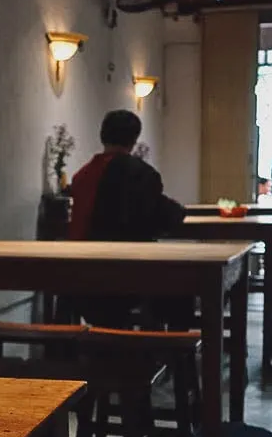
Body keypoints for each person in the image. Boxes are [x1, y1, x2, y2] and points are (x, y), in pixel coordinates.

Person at [67, 109, 188, 328]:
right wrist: (178, 211)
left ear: (102, 136)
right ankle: (171, 351)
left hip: (80, 276)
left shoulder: (81, 176)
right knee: (184, 286)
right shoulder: (140, 174)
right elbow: (161, 218)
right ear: (134, 139)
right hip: (125, 278)